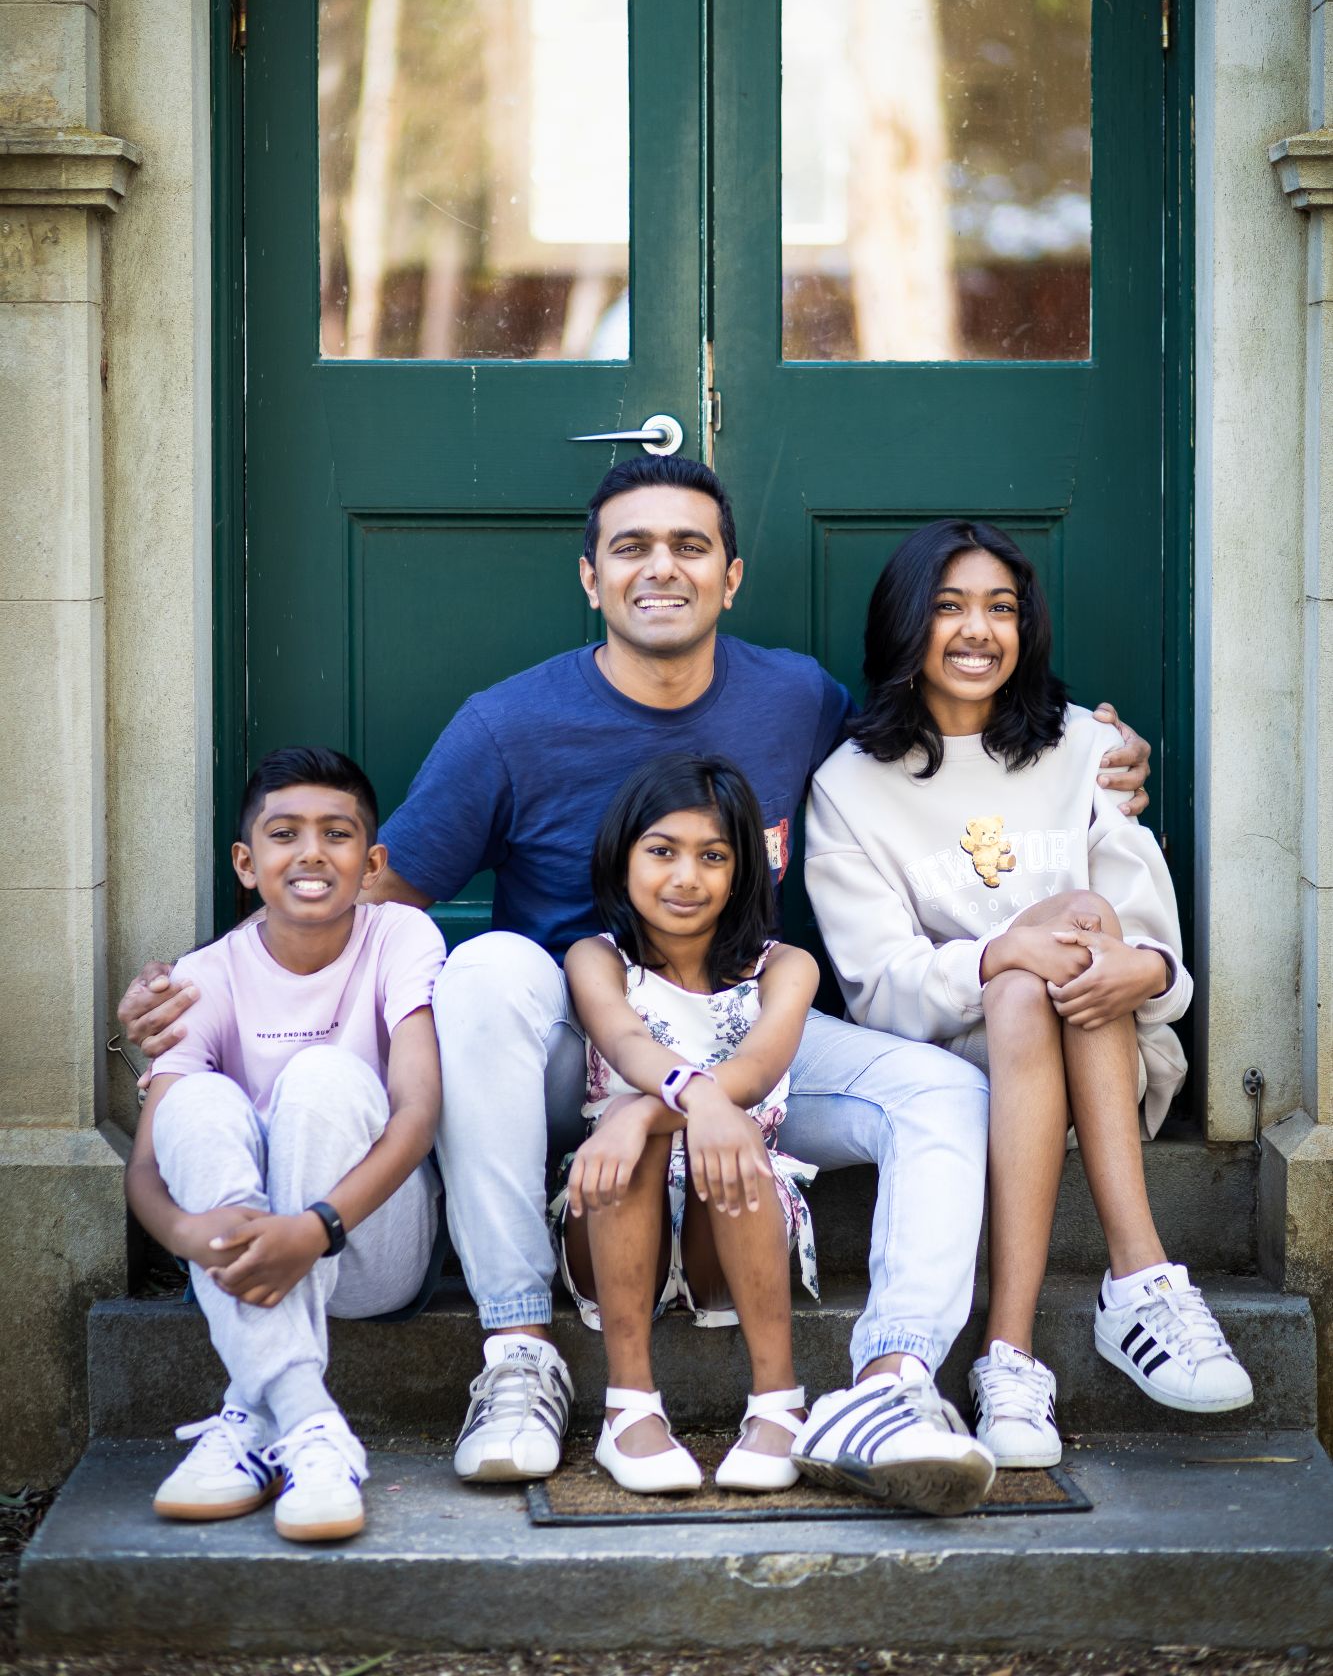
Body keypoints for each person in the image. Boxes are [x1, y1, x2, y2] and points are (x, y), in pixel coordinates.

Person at [117, 457, 1151, 1512]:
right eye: (632, 546)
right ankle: (518, 1344)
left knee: (943, 1090)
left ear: (731, 576)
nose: (662, 567)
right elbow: (365, 886)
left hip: (755, 1021)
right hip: (579, 1036)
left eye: (689, 545)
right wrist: (212, 980)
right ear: (590, 575)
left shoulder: (798, 697)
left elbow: (925, 751)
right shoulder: (506, 723)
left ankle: (889, 1379)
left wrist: (1089, 752)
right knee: (482, 968)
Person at [803, 520, 1253, 1473]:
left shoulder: (1078, 743)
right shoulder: (848, 785)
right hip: (960, 1062)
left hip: (1104, 1049)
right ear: (904, 624)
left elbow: (1144, 937)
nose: (978, 631)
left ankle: (1135, 1278)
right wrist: (1003, 954)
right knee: (1017, 986)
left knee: (1085, 913)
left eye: (1000, 609)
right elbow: (878, 987)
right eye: (949, 607)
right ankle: (1009, 1353)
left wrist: (1154, 972)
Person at [124, 747, 445, 1542]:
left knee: (322, 1078)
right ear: (245, 862)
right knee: (194, 1099)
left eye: (336, 835)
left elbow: (416, 1114)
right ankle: (303, 1423)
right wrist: (180, 1232)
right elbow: (147, 1165)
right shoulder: (204, 977)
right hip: (246, 1255)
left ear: (370, 864)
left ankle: (250, 1416)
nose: (310, 853)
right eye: (284, 834)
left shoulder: (400, 936)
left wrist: (319, 1227)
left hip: (369, 1249)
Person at [558, 754, 822, 1496]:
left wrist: (648, 1110)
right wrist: (681, 1102)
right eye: (661, 851)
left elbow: (759, 1067)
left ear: (743, 872)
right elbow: (626, 1042)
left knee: (716, 1145)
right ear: (622, 858)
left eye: (712, 856)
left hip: (734, 1219)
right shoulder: (596, 960)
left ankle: (777, 1402)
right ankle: (629, 1409)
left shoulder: (785, 967)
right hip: (613, 1217)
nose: (685, 877)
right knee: (632, 1150)